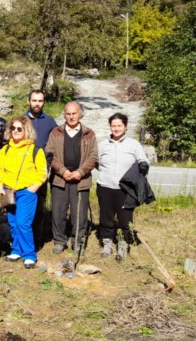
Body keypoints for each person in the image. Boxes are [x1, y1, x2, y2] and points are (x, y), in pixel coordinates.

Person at [45, 102, 98, 254]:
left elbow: (93, 156)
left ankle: (77, 241)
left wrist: (80, 172)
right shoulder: (56, 132)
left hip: (81, 180)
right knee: (58, 212)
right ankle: (59, 241)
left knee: (79, 213)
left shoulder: (89, 133)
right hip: (60, 179)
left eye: (74, 113)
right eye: (68, 113)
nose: (71, 116)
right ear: (64, 114)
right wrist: (62, 170)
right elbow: (49, 154)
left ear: (81, 114)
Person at [96, 113, 150, 261]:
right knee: (105, 217)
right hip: (105, 186)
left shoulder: (133, 144)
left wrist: (143, 167)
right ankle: (106, 243)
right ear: (110, 127)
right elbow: (97, 163)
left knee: (124, 219)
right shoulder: (102, 145)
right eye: (113, 125)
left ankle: (122, 244)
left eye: (119, 125)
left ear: (125, 126)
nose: (116, 128)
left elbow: (142, 161)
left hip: (125, 189)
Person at [0, 116, 47, 269]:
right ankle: (17, 250)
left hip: (26, 191)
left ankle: (29, 254)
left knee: (23, 223)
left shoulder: (35, 150)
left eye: (19, 128)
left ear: (26, 130)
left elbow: (43, 172)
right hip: (9, 191)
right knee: (12, 222)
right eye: (13, 128)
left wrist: (33, 188)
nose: (16, 131)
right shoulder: (5, 149)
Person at [26, 89, 57, 249]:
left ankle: (36, 237)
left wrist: (50, 165)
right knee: (23, 204)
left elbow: (56, 145)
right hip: (23, 171)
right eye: (34, 100)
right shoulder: (21, 121)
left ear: (44, 102)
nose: (37, 104)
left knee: (39, 204)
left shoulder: (50, 122)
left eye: (40, 101)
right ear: (28, 101)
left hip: (41, 172)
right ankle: (21, 235)